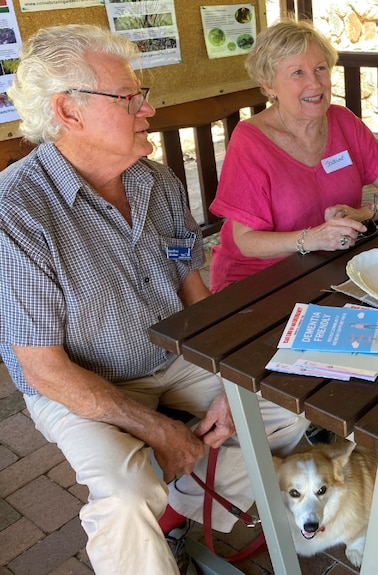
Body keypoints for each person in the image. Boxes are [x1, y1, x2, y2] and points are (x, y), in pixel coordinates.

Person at [0, 25, 309, 574]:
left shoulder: (156, 181)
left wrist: (232, 379)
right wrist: (159, 430)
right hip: (80, 383)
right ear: (68, 112)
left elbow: (197, 297)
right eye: (129, 98)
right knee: (124, 495)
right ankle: (165, 500)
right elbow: (45, 371)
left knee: (285, 406)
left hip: (173, 356)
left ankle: (179, 502)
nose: (147, 110)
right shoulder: (16, 211)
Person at [208, 19, 378, 292]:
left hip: (326, 268)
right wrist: (312, 239)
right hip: (257, 284)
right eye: (297, 73)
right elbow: (245, 241)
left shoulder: (343, 121)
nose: (315, 84)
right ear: (269, 85)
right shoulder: (251, 141)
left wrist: (363, 214)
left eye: (320, 68)